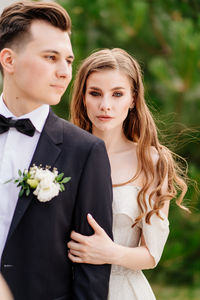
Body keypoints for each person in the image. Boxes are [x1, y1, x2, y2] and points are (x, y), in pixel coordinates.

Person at [0, 2, 113, 300]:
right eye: (51, 57)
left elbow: (93, 269)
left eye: (68, 60)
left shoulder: (85, 151)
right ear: (8, 60)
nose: (65, 73)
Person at [69, 48, 189, 299]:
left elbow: (152, 255)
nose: (105, 105)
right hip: (65, 287)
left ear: (133, 99)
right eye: (95, 93)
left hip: (124, 290)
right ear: (82, 97)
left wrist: (110, 253)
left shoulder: (152, 161)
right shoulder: (63, 155)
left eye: (117, 94)